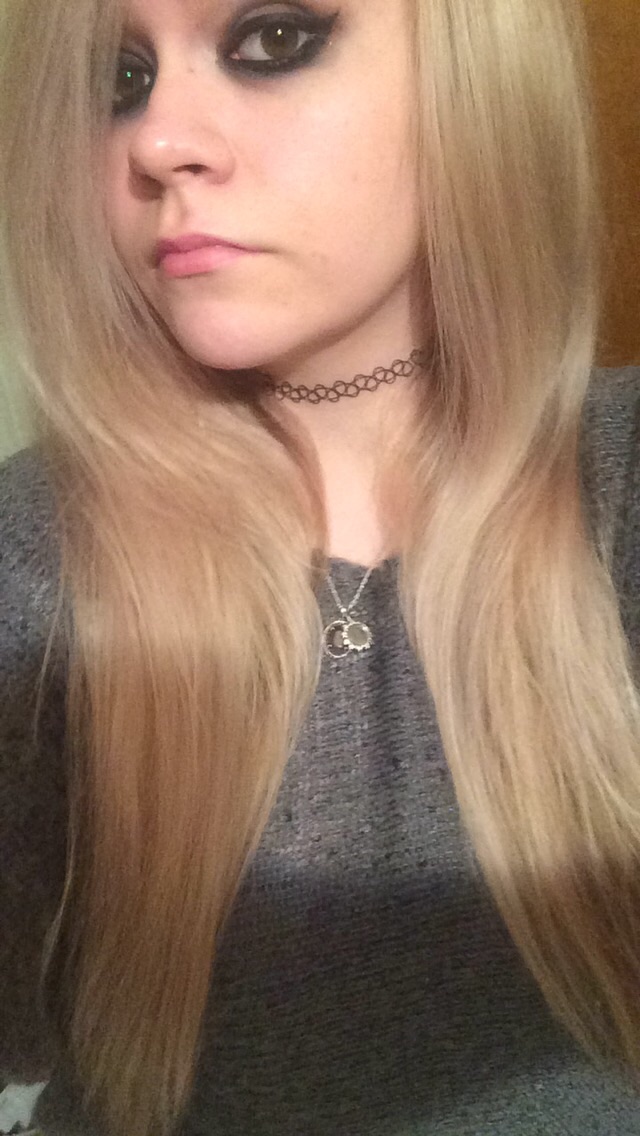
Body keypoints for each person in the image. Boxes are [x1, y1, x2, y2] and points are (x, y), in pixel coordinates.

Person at [0, 0, 639, 1133]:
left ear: (474, 69)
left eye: (273, 40)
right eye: (120, 79)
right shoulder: (31, 551)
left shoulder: (619, 484)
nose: (158, 143)